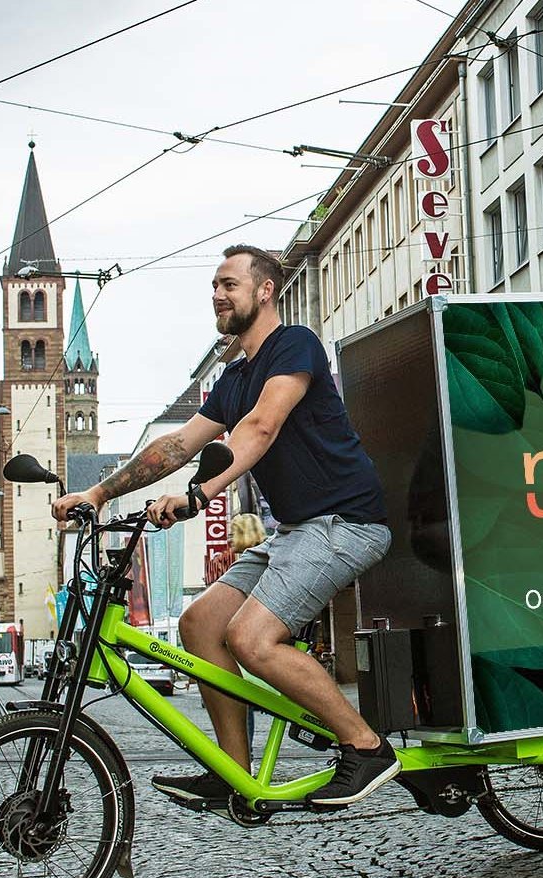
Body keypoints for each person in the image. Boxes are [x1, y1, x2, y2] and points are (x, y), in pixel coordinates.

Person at [52, 245, 396, 808]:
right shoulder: (234, 375)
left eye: (229, 284)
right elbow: (177, 445)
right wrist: (97, 492)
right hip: (295, 531)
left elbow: (261, 427)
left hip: (345, 523)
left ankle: (365, 746)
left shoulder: (295, 346)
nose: (217, 293)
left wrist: (198, 493)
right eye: (214, 285)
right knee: (199, 625)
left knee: (251, 639)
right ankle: (233, 769)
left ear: (264, 291)